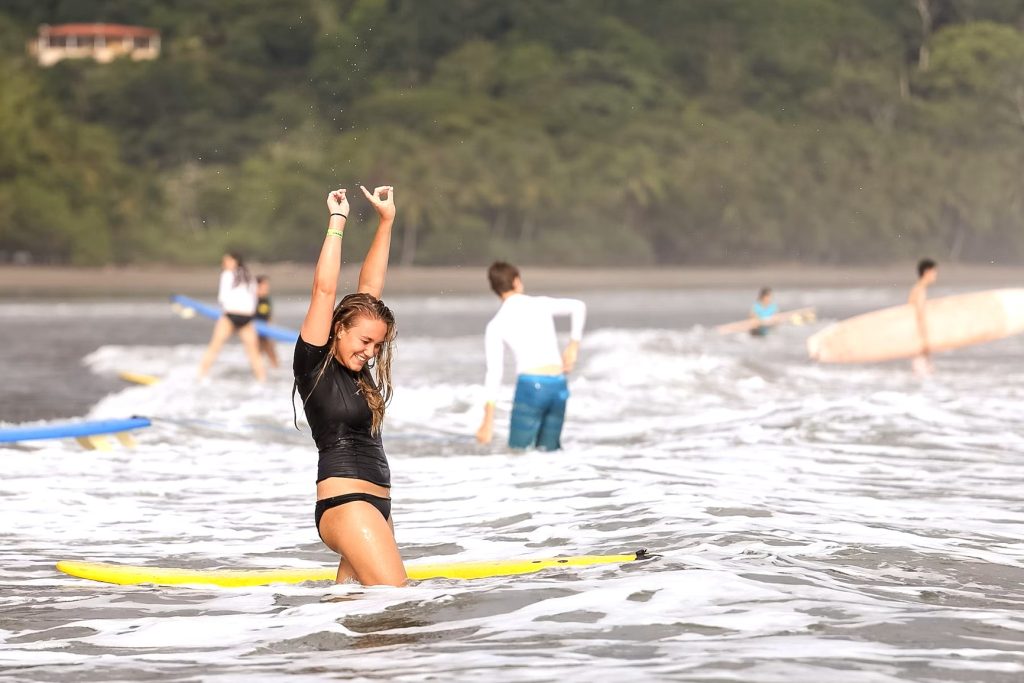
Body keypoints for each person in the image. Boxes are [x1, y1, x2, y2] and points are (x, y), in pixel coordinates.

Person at [293, 184, 405, 586]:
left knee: (359, 614)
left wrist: (386, 221)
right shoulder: (314, 364)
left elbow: (369, 292)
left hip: (378, 505)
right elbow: (323, 290)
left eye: (377, 345)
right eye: (364, 342)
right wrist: (337, 222)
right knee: (396, 601)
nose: (371, 353)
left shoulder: (361, 365)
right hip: (347, 503)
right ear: (337, 330)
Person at [475, 262, 586, 450]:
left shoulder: (496, 324)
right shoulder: (539, 304)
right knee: (550, 453)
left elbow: (494, 373)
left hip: (531, 388)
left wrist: (487, 420)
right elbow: (578, 306)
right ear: (517, 281)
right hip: (558, 385)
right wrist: (573, 346)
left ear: (495, 289)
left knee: (519, 453)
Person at [197, 252, 266, 381]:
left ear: (236, 261)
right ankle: (262, 380)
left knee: (214, 347)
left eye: (227, 261)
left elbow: (222, 297)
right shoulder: (249, 276)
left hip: (230, 316)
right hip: (247, 317)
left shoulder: (227, 275)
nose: (225, 264)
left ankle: (201, 375)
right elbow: (254, 298)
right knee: (254, 353)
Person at [909, 258, 938, 376]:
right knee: (923, 374)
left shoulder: (916, 289)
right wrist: (925, 340)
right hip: (918, 338)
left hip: (914, 337)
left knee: (920, 373)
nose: (936, 275)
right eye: (935, 272)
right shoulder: (920, 290)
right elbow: (919, 316)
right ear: (927, 271)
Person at [254, 275, 279, 369]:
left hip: (265, 329)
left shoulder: (267, 299)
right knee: (257, 351)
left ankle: (275, 369)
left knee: (271, 350)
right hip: (255, 328)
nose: (267, 287)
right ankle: (259, 371)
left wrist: (270, 328)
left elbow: (269, 316)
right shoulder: (253, 299)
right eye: (265, 285)